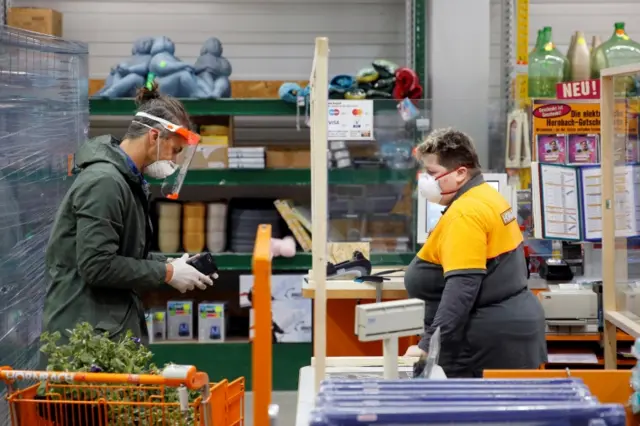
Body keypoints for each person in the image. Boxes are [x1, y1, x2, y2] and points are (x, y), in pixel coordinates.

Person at [41, 83, 214, 350]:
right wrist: (166, 273)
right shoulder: (105, 183)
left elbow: (123, 253)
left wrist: (172, 264)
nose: (175, 162)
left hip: (103, 328)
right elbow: (97, 265)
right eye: (175, 150)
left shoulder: (126, 180)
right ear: (155, 137)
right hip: (83, 338)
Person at [404, 128, 546, 377]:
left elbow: (462, 289)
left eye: (432, 173)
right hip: (506, 333)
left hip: (479, 343)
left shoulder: (466, 212)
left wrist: (427, 346)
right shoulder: (487, 197)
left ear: (460, 173)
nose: (426, 181)